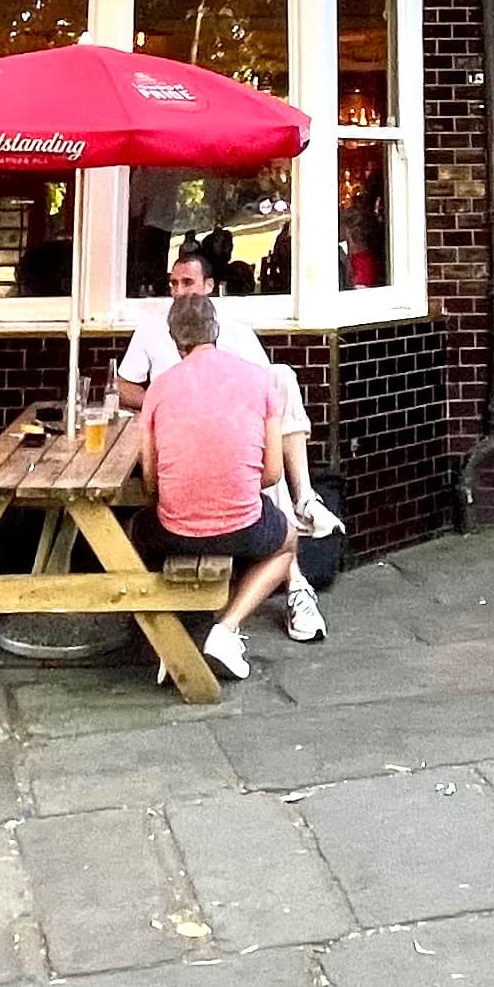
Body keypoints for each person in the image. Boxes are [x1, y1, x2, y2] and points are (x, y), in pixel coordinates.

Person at [116, 238, 338, 642]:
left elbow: (150, 483)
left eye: (188, 282)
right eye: (174, 283)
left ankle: (167, 629)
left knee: (281, 383)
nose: (180, 291)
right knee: (277, 515)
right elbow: (124, 386)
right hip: (206, 461)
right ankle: (287, 592)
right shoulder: (156, 352)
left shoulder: (233, 339)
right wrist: (170, 405)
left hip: (220, 461)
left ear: (210, 288)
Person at [136, 291, 300, 683]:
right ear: (217, 331)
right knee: (287, 541)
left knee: (133, 532)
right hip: (243, 527)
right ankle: (226, 630)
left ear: (175, 338)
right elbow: (274, 472)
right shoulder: (261, 381)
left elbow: (149, 478)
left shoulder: (158, 388)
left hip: (175, 530)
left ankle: (169, 633)